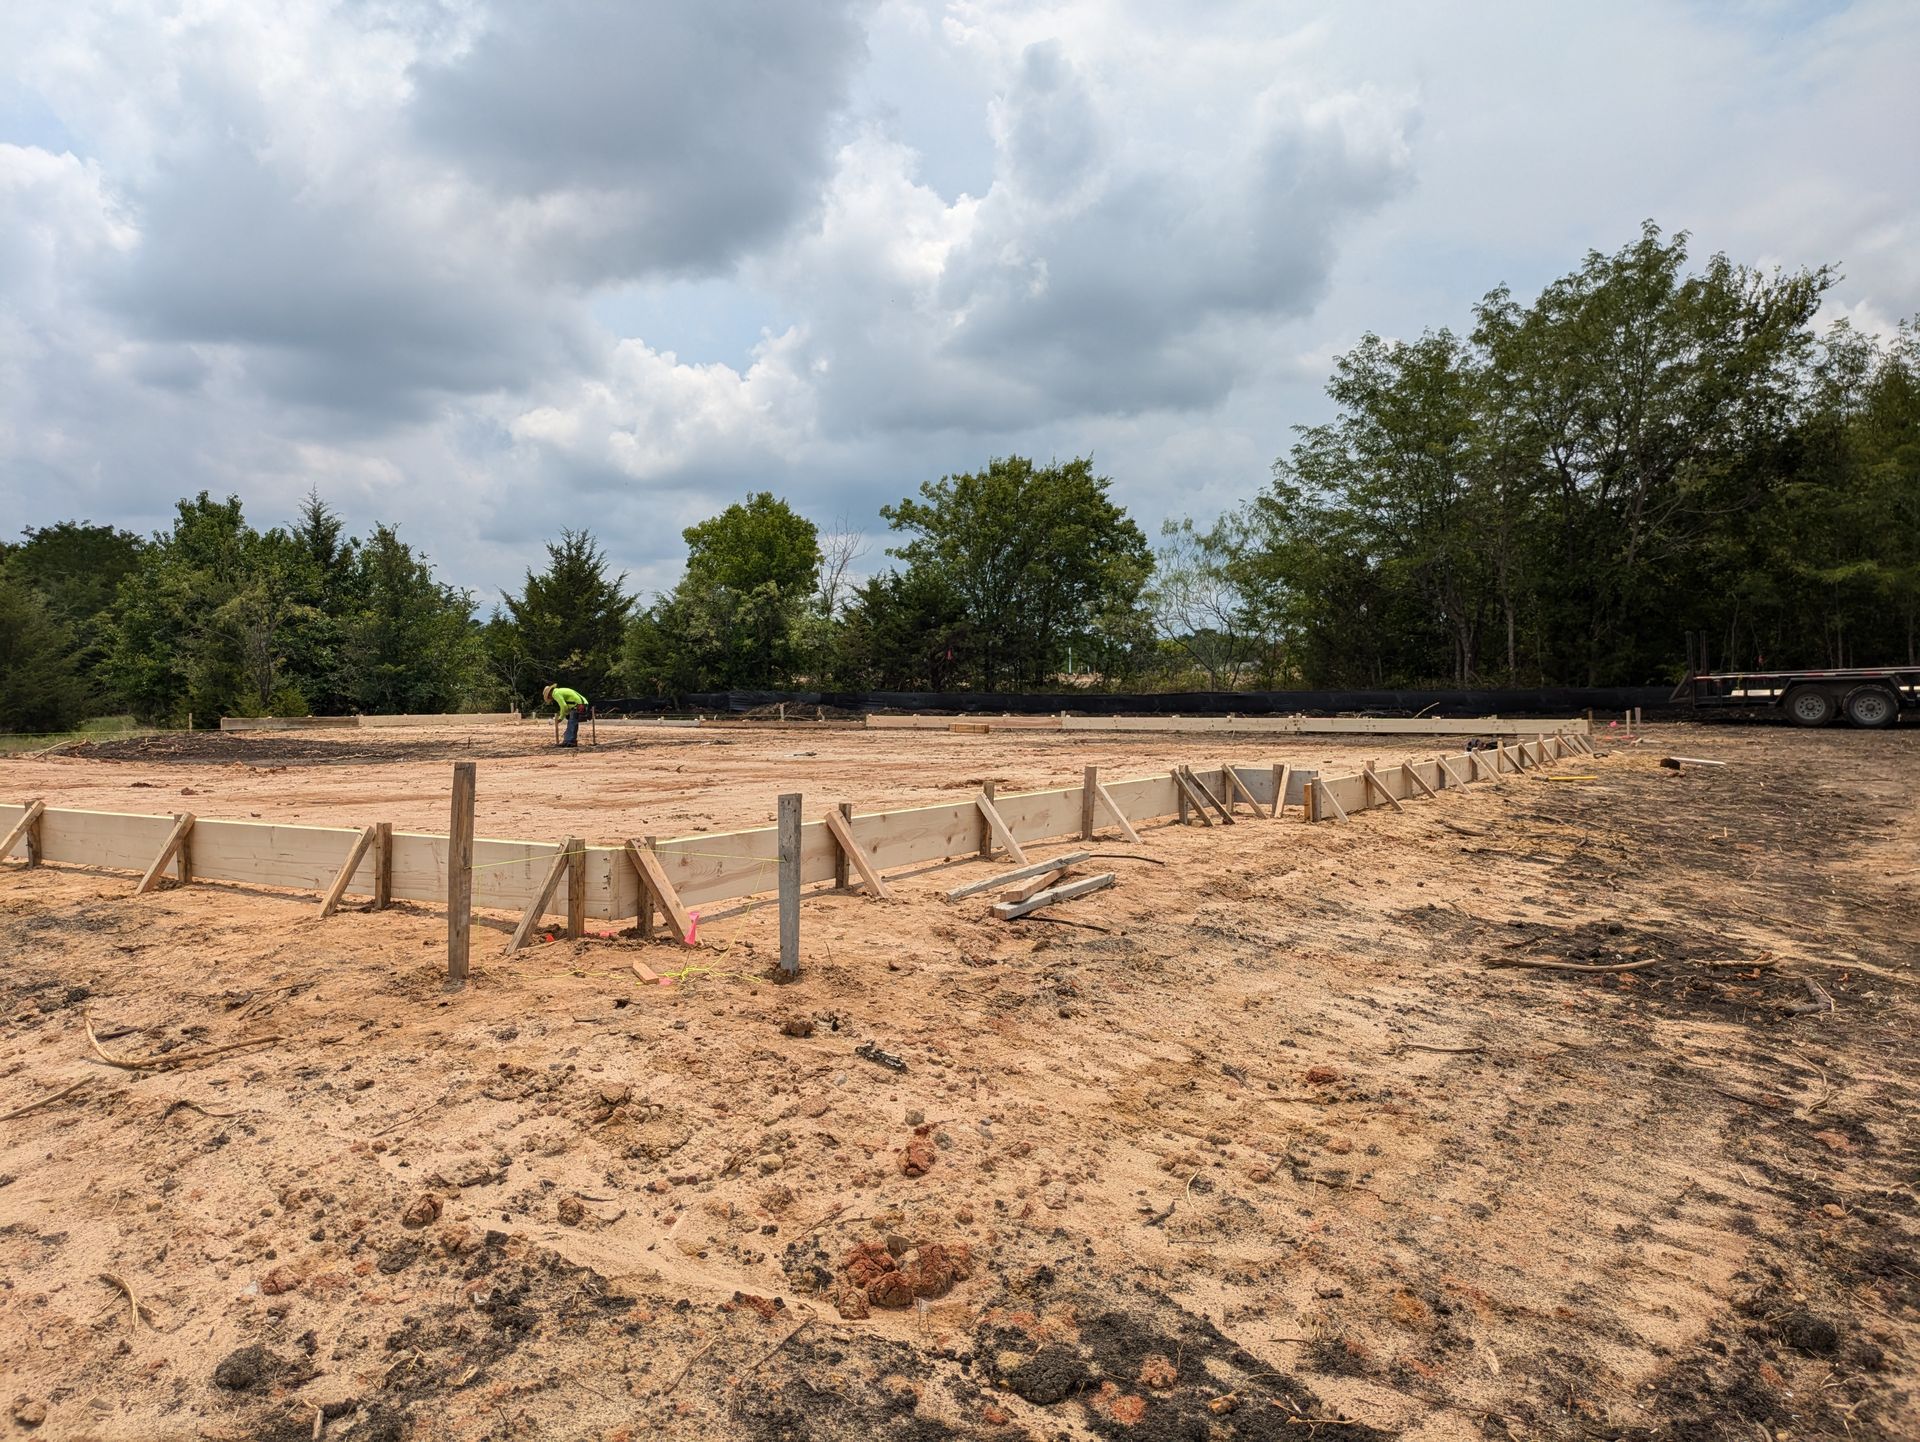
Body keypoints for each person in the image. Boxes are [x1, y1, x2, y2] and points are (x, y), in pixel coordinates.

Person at [542, 682, 590, 747]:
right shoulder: (559, 691)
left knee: (572, 722)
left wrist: (560, 718)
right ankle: (569, 740)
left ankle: (570, 741)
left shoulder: (556, 694)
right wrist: (566, 714)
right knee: (572, 722)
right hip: (582, 703)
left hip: (579, 705)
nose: (550, 699)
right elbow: (567, 706)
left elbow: (563, 706)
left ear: (549, 694)